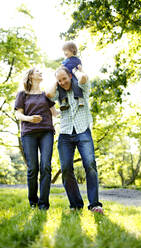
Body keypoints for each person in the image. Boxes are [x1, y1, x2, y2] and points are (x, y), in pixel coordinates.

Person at [48, 66, 103, 213]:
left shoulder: (81, 87)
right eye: (59, 80)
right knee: (66, 169)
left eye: (64, 78)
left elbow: (84, 77)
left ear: (71, 76)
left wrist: (78, 70)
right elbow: (48, 94)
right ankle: (76, 204)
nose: (62, 82)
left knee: (90, 165)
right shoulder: (58, 92)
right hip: (65, 133)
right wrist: (56, 81)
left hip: (82, 130)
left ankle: (94, 205)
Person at [14, 68, 59, 210]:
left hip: (46, 132)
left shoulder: (46, 95)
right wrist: (29, 119)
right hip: (29, 133)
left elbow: (55, 113)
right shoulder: (22, 94)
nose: (41, 73)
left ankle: (43, 204)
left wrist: (70, 106)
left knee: (46, 166)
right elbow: (18, 115)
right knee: (33, 168)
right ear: (31, 76)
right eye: (37, 72)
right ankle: (33, 201)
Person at [58, 41, 85, 111]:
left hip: (73, 75)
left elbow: (80, 68)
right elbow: (61, 69)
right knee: (59, 85)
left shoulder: (77, 60)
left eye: (66, 50)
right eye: (64, 51)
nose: (65, 53)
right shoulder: (64, 61)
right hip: (66, 76)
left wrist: (81, 70)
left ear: (72, 50)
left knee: (76, 83)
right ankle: (64, 101)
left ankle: (80, 98)